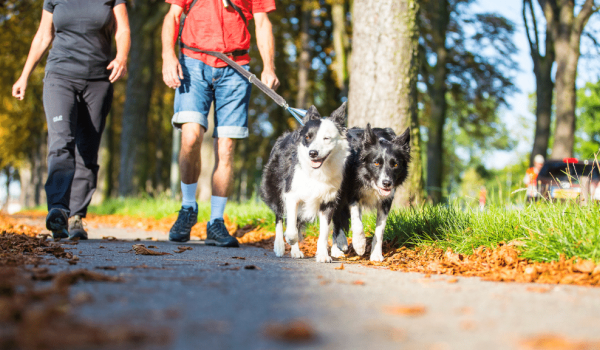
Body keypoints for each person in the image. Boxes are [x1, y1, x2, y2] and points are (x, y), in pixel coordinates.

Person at [161, 0, 279, 246]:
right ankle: (187, 207)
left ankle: (215, 222)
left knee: (225, 149)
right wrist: (167, 56)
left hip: (236, 68)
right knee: (191, 137)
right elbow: (173, 15)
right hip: (192, 62)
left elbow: (262, 21)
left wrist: (269, 67)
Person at [12, 0, 130, 240]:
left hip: (99, 80)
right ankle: (58, 209)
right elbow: (43, 36)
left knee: (88, 148)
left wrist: (122, 57)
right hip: (60, 76)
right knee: (61, 141)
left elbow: (123, 29)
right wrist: (24, 75)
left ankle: (76, 216)